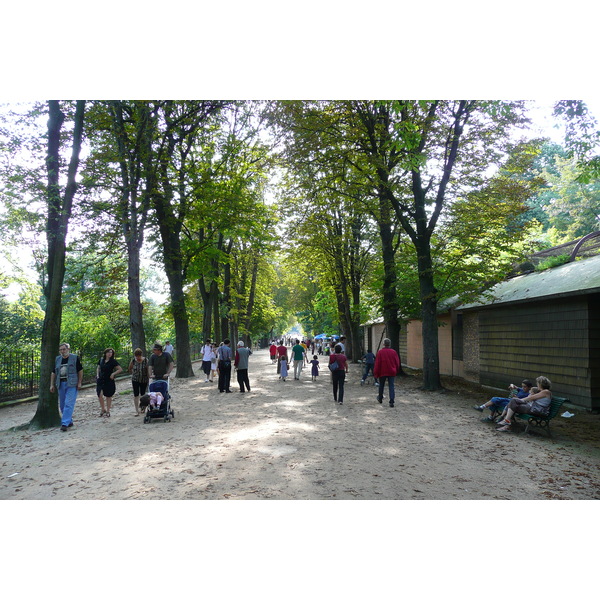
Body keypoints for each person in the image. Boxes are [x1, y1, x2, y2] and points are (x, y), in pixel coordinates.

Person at [50, 342, 83, 431]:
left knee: (69, 403)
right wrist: (52, 384)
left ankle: (64, 424)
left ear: (68, 349)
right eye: (60, 350)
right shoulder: (57, 359)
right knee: (62, 405)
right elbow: (54, 372)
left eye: (64, 349)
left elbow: (80, 371)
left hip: (72, 384)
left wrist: (79, 382)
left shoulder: (74, 358)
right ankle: (69, 421)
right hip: (61, 384)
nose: (62, 351)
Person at [373, 338, 400, 407]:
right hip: (391, 371)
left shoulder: (380, 352)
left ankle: (380, 397)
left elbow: (377, 363)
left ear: (383, 344)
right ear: (389, 344)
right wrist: (396, 369)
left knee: (381, 385)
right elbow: (397, 362)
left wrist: (376, 372)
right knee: (391, 386)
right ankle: (391, 401)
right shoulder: (393, 352)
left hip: (382, 371)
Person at [96, 348, 123, 418]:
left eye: (111, 352)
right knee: (100, 395)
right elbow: (98, 368)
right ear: (105, 353)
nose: (109, 354)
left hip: (109, 380)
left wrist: (113, 374)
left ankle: (108, 411)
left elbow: (120, 369)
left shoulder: (113, 361)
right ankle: (103, 409)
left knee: (108, 396)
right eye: (108, 352)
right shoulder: (101, 360)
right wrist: (97, 375)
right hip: (101, 380)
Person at [128, 348, 149, 416]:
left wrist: (149, 376)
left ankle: (143, 408)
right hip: (135, 380)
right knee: (136, 394)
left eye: (139, 356)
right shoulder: (133, 361)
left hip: (144, 379)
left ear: (141, 355)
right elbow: (130, 368)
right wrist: (133, 374)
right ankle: (136, 410)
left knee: (143, 394)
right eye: (136, 356)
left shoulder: (146, 360)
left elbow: (148, 369)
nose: (137, 357)